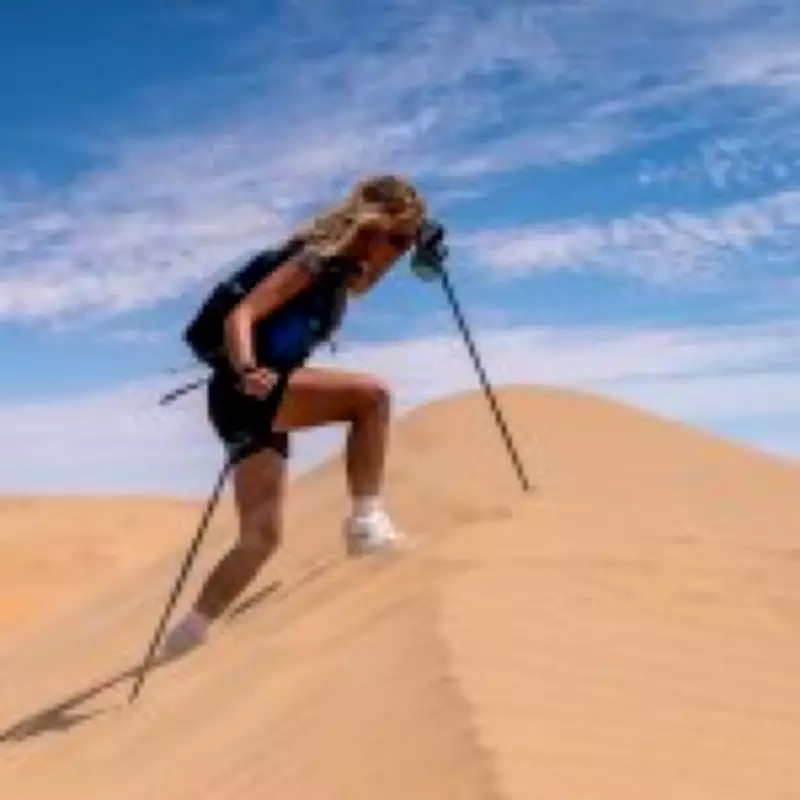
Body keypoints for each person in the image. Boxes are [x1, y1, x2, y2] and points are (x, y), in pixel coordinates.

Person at [161, 174, 428, 659]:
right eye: (396, 239)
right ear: (370, 227)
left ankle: (187, 635)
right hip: (249, 387)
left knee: (260, 539)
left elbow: (368, 277)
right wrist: (247, 369)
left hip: (245, 397)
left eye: (407, 242)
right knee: (371, 398)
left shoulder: (344, 273)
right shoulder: (313, 261)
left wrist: (423, 251)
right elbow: (241, 316)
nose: (399, 251)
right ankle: (366, 523)